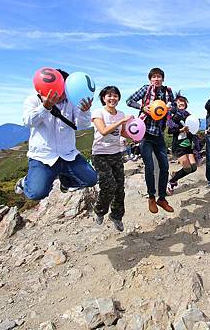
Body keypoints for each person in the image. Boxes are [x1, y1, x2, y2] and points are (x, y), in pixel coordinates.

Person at [15, 69, 98, 200]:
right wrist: (45, 107)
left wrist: (84, 111)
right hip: (43, 157)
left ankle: (66, 181)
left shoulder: (72, 101)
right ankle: (24, 182)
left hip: (68, 154)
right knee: (37, 193)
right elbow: (28, 121)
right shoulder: (33, 100)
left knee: (91, 179)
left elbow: (82, 125)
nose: (63, 94)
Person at [126, 68, 175, 213]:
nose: (156, 79)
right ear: (150, 79)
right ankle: (151, 197)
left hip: (159, 134)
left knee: (165, 167)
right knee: (150, 167)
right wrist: (143, 107)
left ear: (163, 79)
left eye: (159, 77)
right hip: (145, 133)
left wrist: (168, 109)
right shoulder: (146, 89)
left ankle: (162, 198)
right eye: (154, 77)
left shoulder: (167, 91)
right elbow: (129, 100)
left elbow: (173, 107)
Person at [91, 86, 133, 232]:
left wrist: (135, 134)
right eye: (109, 95)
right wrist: (121, 121)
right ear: (103, 98)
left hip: (116, 154)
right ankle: (100, 211)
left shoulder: (120, 113)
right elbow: (103, 131)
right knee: (108, 185)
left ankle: (116, 216)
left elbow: (122, 132)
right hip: (100, 154)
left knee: (120, 188)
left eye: (115, 96)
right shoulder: (98, 112)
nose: (112, 98)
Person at [166, 94, 199, 195]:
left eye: (183, 102)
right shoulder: (174, 116)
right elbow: (170, 131)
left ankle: (176, 174)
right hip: (179, 146)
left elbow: (193, 128)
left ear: (185, 104)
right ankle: (172, 181)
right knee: (187, 168)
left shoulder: (188, 115)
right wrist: (181, 130)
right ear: (176, 104)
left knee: (193, 167)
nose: (181, 103)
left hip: (188, 145)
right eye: (178, 102)